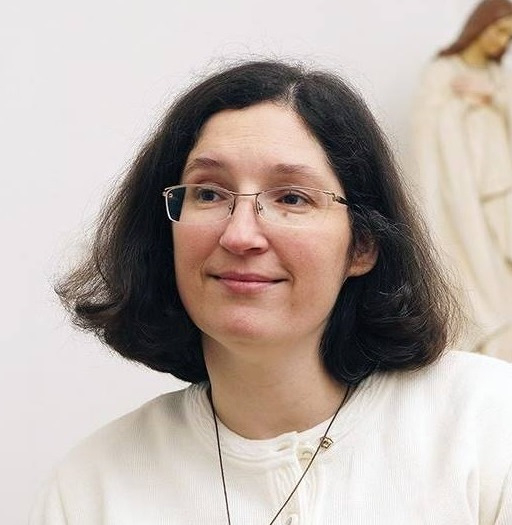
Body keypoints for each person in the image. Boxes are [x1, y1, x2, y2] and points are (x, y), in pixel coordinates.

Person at [30, 60, 512, 524]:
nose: (240, 235)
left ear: (363, 245)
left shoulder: (487, 423)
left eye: (291, 198)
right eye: (209, 193)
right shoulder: (93, 487)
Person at [412, 0, 512, 361]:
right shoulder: (442, 71)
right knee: (473, 258)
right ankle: (488, 335)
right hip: (462, 188)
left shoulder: (498, 77)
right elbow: (426, 128)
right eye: (498, 31)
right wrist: (463, 106)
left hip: (501, 184)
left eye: (508, 36)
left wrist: (492, 96)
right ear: (479, 26)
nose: (501, 41)